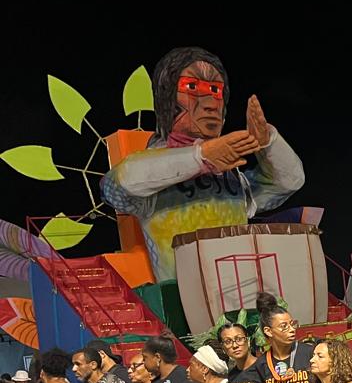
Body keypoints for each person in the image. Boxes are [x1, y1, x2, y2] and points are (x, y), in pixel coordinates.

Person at [100, 46, 304, 283]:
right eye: (192, 87)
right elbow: (115, 186)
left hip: (241, 296)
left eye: (215, 91)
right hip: (182, 303)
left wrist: (268, 140)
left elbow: (290, 181)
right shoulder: (152, 172)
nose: (210, 104)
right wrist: (201, 156)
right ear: (167, 99)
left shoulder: (231, 177)